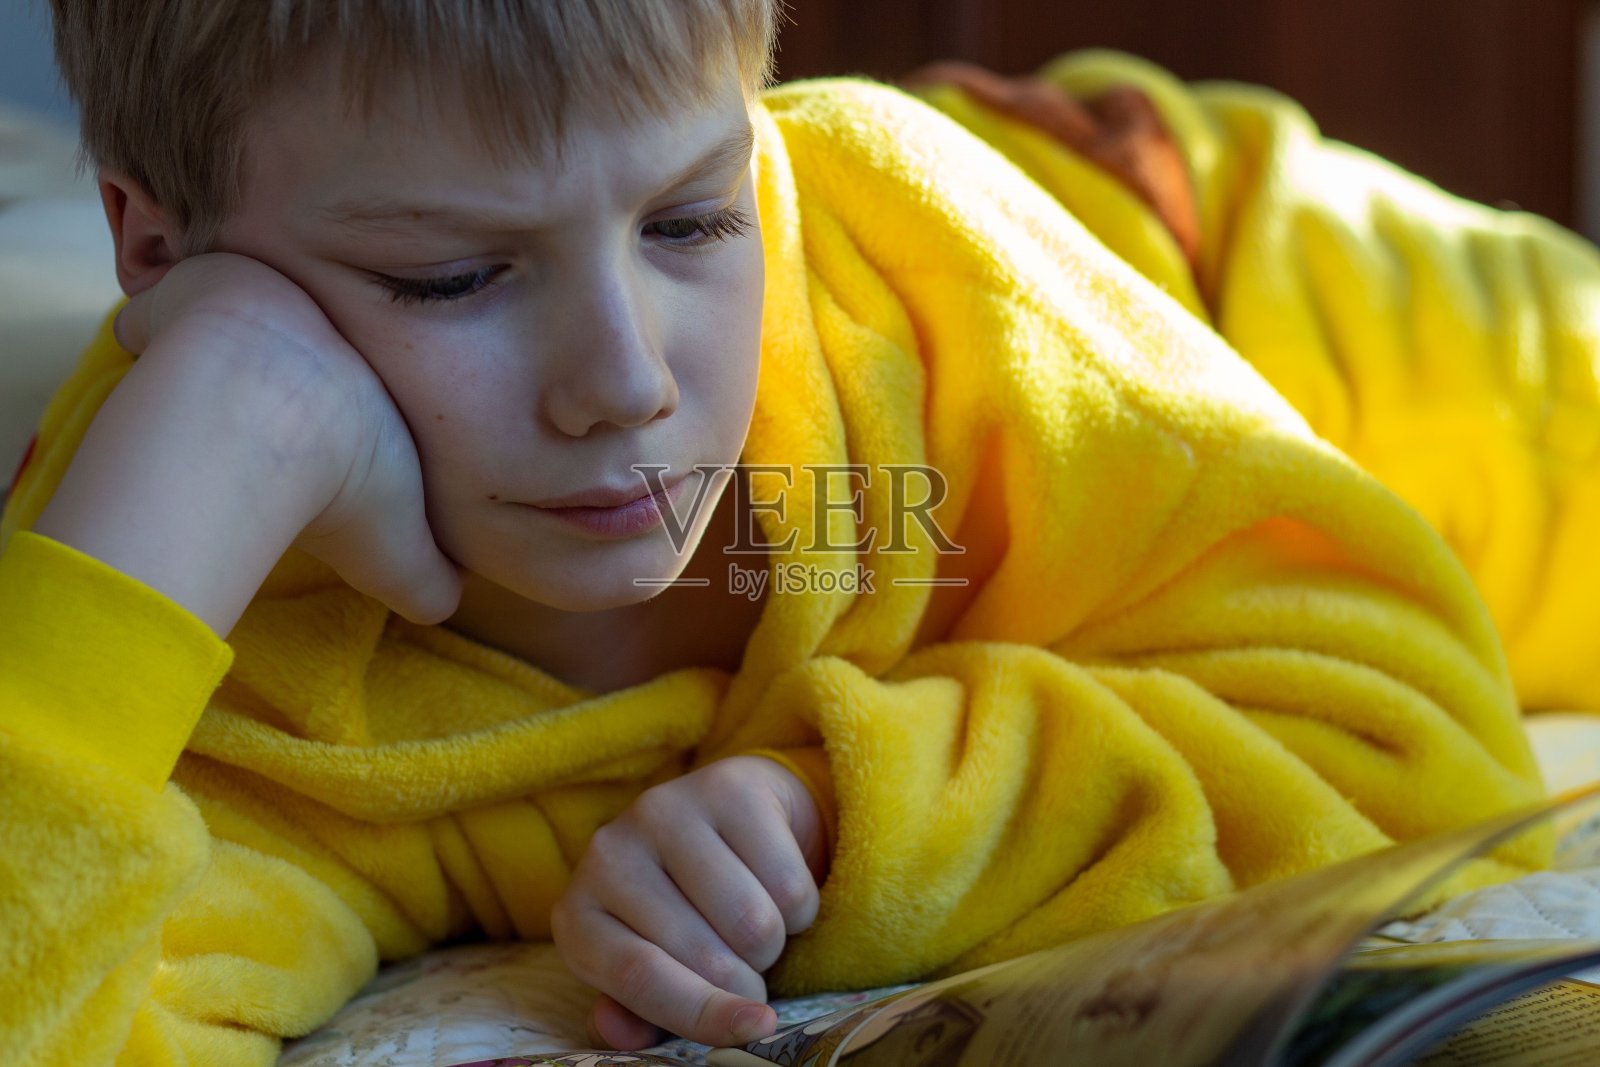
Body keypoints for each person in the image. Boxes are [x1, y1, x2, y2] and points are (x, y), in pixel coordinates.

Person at [0, 1, 1555, 1063]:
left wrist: (851, 813)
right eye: (451, 278)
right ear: (157, 246)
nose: (625, 383)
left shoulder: (940, 291)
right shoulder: (189, 584)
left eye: (690, 222)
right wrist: (210, 443)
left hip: (1269, 285)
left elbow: (1427, 751)